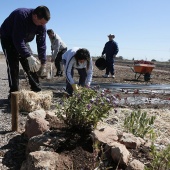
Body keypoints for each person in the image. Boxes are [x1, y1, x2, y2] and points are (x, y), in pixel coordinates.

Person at [0, 6, 50, 99]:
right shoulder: (21, 16)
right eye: (41, 22)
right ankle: (14, 94)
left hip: (23, 40)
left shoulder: (42, 24)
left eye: (44, 23)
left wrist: (43, 62)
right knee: (13, 66)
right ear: (35, 16)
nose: (41, 25)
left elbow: (41, 43)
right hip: (8, 38)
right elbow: (17, 40)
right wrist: (28, 56)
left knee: (32, 64)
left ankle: (36, 90)